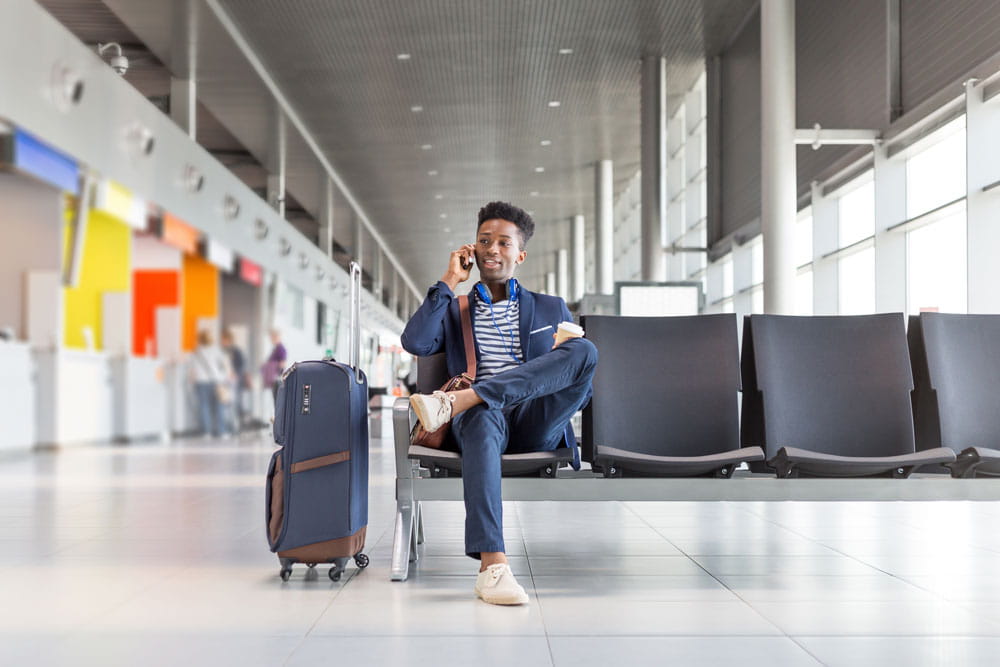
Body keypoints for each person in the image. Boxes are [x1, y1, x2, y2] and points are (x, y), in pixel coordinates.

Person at [401, 201, 598, 606]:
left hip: (534, 418)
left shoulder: (549, 307)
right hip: (481, 423)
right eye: (484, 240)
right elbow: (415, 343)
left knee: (585, 351)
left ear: (519, 254)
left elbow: (578, 378)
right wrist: (449, 280)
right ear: (472, 249)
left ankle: (459, 400)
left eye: (503, 243)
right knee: (480, 415)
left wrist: (553, 365)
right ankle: (493, 567)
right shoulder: (456, 309)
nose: (492, 249)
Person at [189, 329, 233, 438]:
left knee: (204, 407)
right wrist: (225, 377)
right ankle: (221, 431)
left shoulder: (195, 352)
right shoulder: (216, 350)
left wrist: (192, 380)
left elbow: (191, 369)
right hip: (215, 381)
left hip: (200, 382)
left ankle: (206, 432)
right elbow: (224, 365)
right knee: (219, 407)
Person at [221, 329, 249, 432]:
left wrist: (236, 374)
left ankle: (236, 427)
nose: (222, 342)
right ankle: (229, 426)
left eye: (223, 339)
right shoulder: (223, 351)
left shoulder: (236, 351)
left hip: (235, 382)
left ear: (228, 339)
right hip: (226, 381)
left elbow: (242, 365)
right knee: (227, 404)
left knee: (236, 403)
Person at [262, 329, 287, 402]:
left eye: (272, 338)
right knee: (275, 400)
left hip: (277, 379)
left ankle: (277, 413)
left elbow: (282, 364)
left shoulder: (280, 349)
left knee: (277, 400)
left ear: (277, 337)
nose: (271, 340)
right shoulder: (276, 348)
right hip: (274, 379)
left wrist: (277, 375)